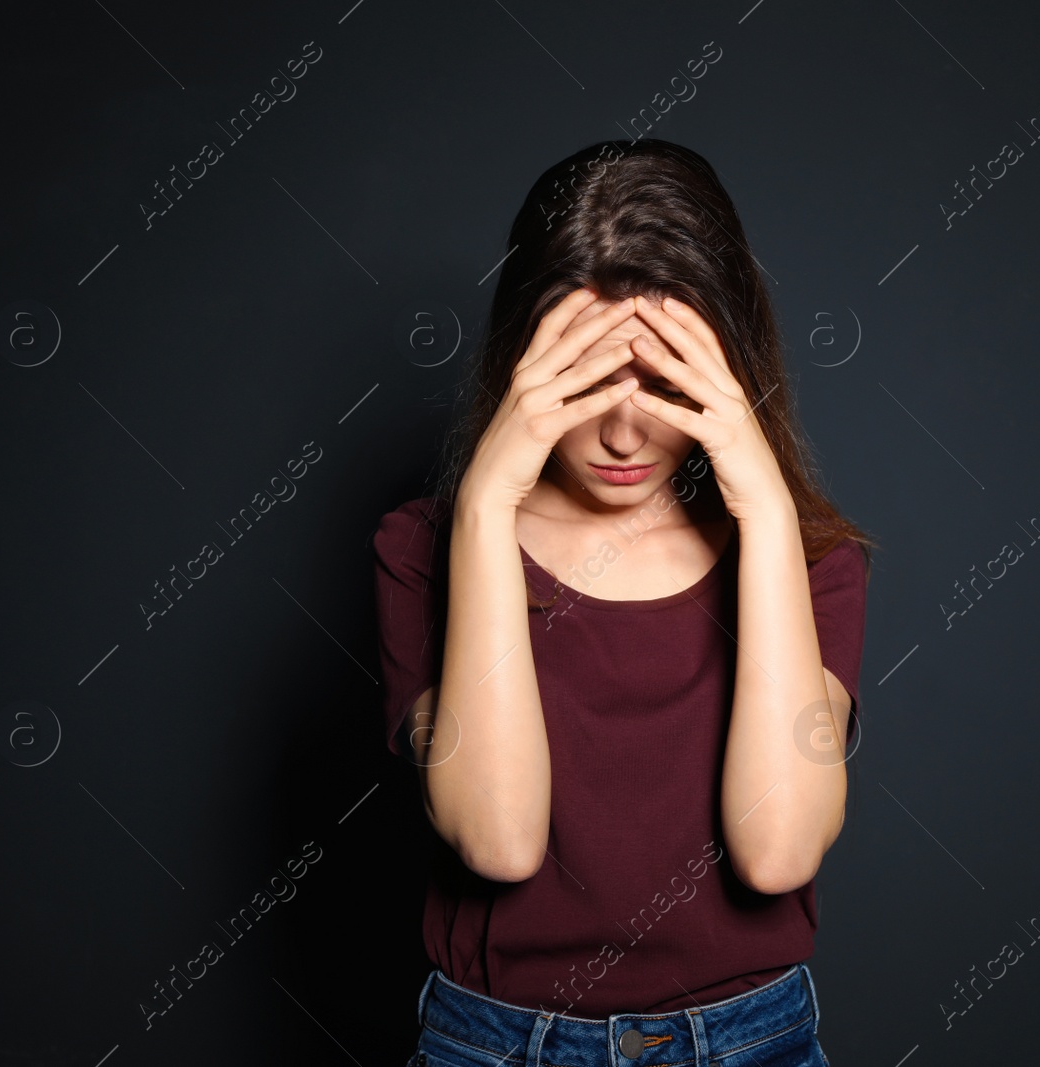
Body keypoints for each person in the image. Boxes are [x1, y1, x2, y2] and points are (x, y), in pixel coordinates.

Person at [372, 138, 875, 1067]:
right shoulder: (420, 551)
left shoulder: (811, 565)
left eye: (663, 378)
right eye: (588, 376)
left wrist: (763, 508)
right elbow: (498, 837)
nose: (622, 428)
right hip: (492, 1044)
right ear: (524, 361)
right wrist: (485, 506)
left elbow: (779, 852)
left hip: (751, 1042)